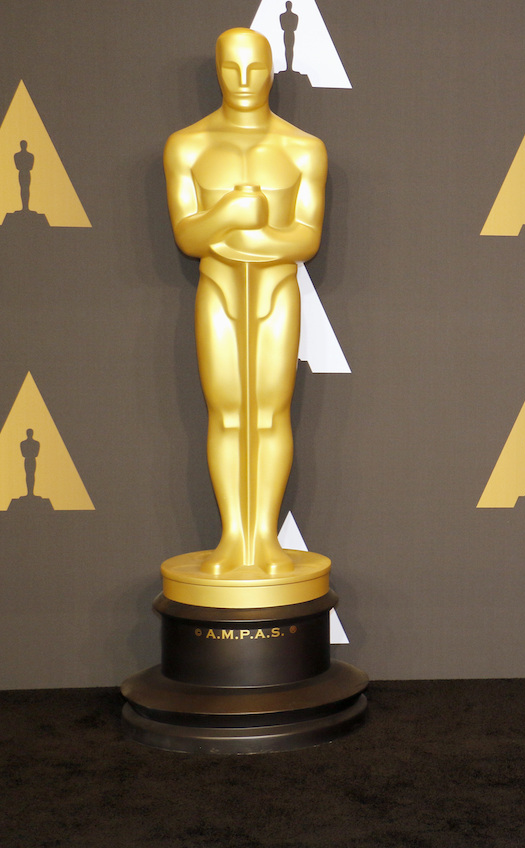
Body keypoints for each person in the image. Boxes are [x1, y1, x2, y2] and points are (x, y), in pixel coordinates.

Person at [165, 27, 327, 575]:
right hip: (218, 289)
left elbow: (306, 237)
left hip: (277, 291)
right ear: (216, 68)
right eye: (231, 67)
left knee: (272, 412)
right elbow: (188, 237)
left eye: (254, 68)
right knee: (228, 413)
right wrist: (230, 217)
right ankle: (234, 536)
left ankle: (265, 537)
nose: (242, 80)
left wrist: (249, 239)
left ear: (272, 71)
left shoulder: (302, 149)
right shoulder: (187, 145)